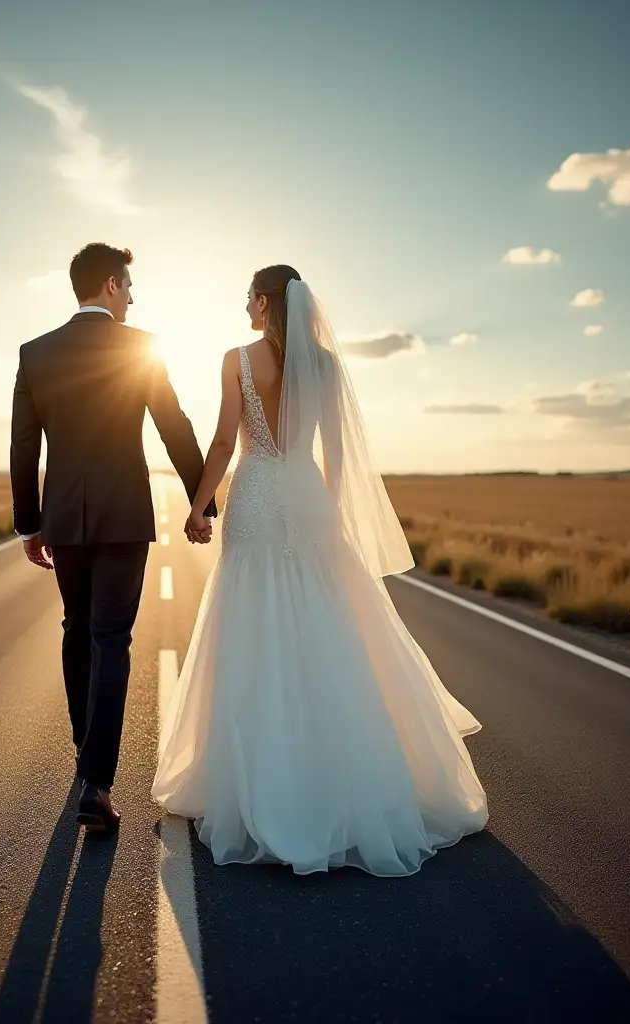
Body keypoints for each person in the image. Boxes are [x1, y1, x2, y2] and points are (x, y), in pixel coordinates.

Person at [152, 265, 489, 875]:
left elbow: (225, 443)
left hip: (255, 497)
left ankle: (261, 781)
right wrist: (328, 516)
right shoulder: (327, 367)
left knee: (252, 628)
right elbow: (335, 454)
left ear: (261, 301)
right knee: (326, 626)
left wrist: (199, 507)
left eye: (248, 297)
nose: (244, 307)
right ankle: (347, 779)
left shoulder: (236, 358)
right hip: (306, 496)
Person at [11, 242, 216, 835]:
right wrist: (204, 502)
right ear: (108, 285)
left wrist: (31, 523)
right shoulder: (140, 347)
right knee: (110, 639)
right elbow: (173, 422)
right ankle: (98, 782)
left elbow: (26, 445)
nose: (132, 297)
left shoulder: (35, 353)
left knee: (77, 630)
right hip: (124, 513)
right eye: (128, 286)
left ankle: (86, 765)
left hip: (66, 518)